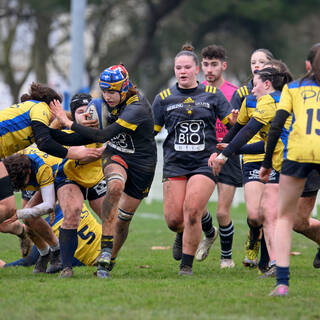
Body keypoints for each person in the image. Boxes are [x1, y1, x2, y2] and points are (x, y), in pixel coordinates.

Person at [50, 64, 157, 279]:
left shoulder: (137, 108)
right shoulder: (101, 104)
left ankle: (110, 257)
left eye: (112, 92)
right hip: (116, 153)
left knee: (124, 220)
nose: (107, 96)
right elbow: (93, 133)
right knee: (115, 186)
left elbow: (101, 135)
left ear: (125, 89)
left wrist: (66, 122)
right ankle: (103, 253)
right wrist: (60, 127)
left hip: (143, 163)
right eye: (104, 91)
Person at [152, 43, 234, 275]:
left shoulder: (213, 95)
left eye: (187, 67)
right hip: (175, 163)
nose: (183, 71)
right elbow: (152, 132)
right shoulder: (164, 98)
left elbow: (233, 127)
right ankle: (201, 230)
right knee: (174, 220)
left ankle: (186, 266)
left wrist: (224, 148)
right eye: (178, 67)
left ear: (196, 69)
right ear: (174, 70)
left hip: (203, 163)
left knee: (192, 210)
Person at [209, 64, 293, 277]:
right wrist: (223, 150)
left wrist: (225, 155)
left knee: (286, 218)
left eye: (254, 85)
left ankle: (276, 265)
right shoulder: (270, 99)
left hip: (289, 163)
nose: (251, 89)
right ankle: (272, 263)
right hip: (281, 163)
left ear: (266, 84)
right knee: (268, 213)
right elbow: (240, 130)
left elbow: (249, 131)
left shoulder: (269, 101)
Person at [259, 44, 320, 296]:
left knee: (284, 218)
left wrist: (265, 163)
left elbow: (275, 127)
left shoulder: (292, 89)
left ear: (307, 66)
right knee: (296, 219)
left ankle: (282, 283)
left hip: (298, 154)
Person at [0, 82, 103, 226]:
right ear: (53, 105)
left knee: (7, 210)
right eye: (59, 107)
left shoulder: (34, 125)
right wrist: (73, 154)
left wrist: (100, 134)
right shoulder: (40, 107)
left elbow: (67, 138)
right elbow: (44, 143)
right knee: (7, 208)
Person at [195, 45, 242, 268]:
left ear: (224, 65)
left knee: (223, 211)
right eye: (206, 64)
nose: (209, 69)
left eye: (214, 64)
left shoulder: (235, 92)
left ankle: (226, 257)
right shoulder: (195, 90)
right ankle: (209, 232)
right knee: (196, 206)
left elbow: (244, 125)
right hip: (203, 153)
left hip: (228, 153)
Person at [228, 49, 274, 271]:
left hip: (274, 158)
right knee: (255, 216)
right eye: (253, 62)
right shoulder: (244, 95)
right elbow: (237, 128)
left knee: (269, 212)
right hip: (251, 156)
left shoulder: (281, 95)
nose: (256, 65)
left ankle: (266, 264)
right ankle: (253, 234)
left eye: (262, 62)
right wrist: (229, 145)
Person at [53, 93, 107, 278]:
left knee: (112, 219)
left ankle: (106, 262)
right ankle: (66, 266)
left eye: (89, 112)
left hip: (96, 178)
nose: (86, 116)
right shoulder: (69, 132)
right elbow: (50, 137)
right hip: (70, 176)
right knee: (73, 212)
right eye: (81, 112)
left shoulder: (103, 129)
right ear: (73, 115)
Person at [3, 146, 64, 273]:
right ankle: (44, 254)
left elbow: (48, 205)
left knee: (27, 215)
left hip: (61, 176)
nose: (21, 187)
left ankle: (57, 251)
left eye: (22, 183)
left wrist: (18, 213)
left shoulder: (42, 169)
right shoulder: (13, 164)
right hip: (41, 178)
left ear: (29, 172)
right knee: (27, 219)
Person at [1, 202, 101, 269]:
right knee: (29, 261)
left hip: (69, 211)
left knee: (29, 261)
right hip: (62, 221)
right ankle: (21, 229)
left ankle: (21, 229)